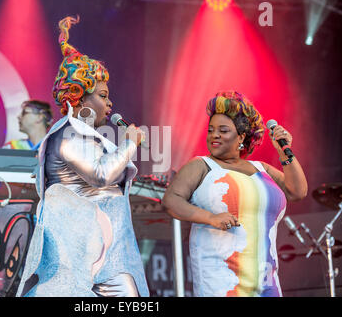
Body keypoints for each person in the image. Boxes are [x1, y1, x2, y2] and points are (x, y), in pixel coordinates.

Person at [16, 16, 149, 297]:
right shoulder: (66, 135)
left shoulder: (88, 136)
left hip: (105, 259)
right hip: (75, 265)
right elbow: (101, 175)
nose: (110, 103)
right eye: (102, 95)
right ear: (79, 97)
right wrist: (129, 144)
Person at [162, 91, 307, 297]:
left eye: (223, 130)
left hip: (267, 281)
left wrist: (284, 153)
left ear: (241, 137)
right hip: (222, 282)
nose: (214, 135)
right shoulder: (202, 166)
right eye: (211, 130)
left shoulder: (262, 169)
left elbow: (297, 191)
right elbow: (171, 201)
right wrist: (210, 218)